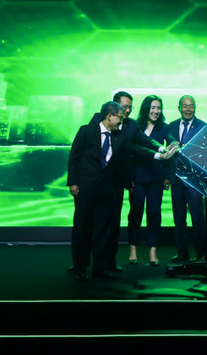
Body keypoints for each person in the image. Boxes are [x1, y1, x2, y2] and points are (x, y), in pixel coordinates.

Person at [67, 102, 160, 280]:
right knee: (82, 227)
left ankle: (100, 268)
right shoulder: (86, 131)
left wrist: (159, 155)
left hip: (106, 190)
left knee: (103, 229)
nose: (122, 120)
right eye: (119, 116)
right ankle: (80, 267)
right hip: (85, 188)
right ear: (109, 116)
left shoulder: (119, 136)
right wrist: (73, 182)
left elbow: (136, 149)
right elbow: (74, 158)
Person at [88, 91, 176, 274]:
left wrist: (161, 151)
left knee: (123, 220)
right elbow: (83, 152)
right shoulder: (97, 122)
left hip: (132, 179)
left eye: (129, 107)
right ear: (111, 111)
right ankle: (88, 264)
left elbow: (140, 145)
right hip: (108, 179)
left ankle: (109, 264)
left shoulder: (132, 126)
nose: (126, 111)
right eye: (123, 107)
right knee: (104, 221)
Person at [127, 95, 171, 266]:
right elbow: (129, 151)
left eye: (158, 108)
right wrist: (128, 177)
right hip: (136, 177)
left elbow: (170, 145)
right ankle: (133, 248)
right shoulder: (135, 126)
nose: (156, 111)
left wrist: (166, 176)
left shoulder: (164, 127)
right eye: (153, 108)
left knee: (154, 213)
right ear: (146, 109)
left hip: (156, 178)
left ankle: (153, 250)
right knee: (135, 212)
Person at [166, 95, 207, 262]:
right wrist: (167, 177)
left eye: (191, 106)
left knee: (198, 220)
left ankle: (201, 253)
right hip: (176, 180)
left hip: (194, 182)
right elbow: (167, 154)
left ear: (195, 108)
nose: (188, 109)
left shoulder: (203, 127)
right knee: (179, 220)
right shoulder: (171, 126)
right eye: (185, 106)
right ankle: (182, 253)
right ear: (179, 108)